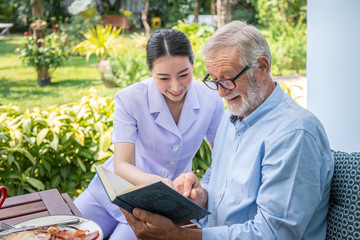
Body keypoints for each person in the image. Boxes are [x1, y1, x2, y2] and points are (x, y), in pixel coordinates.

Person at [122, 20, 334, 239]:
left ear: (262, 67)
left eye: (228, 79)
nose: (221, 93)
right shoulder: (234, 115)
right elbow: (218, 179)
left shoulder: (294, 133)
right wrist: (200, 194)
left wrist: (179, 236)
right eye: (214, 80)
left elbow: (274, 233)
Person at [74, 29, 224, 239]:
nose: (175, 87)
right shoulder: (129, 98)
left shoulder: (211, 98)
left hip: (156, 208)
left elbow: (223, 156)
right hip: (109, 192)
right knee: (65, 233)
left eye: (184, 74)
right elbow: (122, 164)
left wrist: (202, 188)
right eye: (163, 78)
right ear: (150, 71)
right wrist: (154, 182)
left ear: (193, 64)